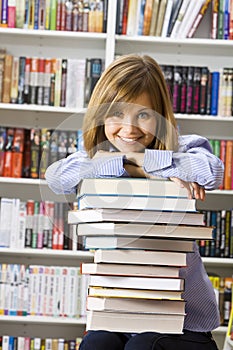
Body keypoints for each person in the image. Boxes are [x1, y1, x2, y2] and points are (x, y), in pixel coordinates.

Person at [45, 54, 224, 350]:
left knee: (142, 347)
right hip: (119, 315)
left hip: (183, 321)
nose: (129, 129)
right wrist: (137, 165)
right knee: (96, 345)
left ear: (160, 116)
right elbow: (56, 177)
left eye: (143, 114)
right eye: (117, 113)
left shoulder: (185, 147)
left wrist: (147, 162)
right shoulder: (90, 156)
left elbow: (212, 172)